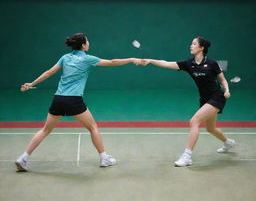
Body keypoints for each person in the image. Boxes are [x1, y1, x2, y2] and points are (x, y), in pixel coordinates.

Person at [15, 33, 141, 171]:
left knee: (45, 130)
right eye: (87, 41)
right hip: (74, 99)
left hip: (58, 98)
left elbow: (48, 72)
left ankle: (23, 158)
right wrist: (131, 59)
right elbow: (112, 62)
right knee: (93, 127)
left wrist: (31, 83)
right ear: (83, 45)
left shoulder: (65, 57)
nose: (89, 43)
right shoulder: (87, 59)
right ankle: (104, 158)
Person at [141, 37, 235, 167]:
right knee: (210, 128)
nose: (191, 46)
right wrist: (151, 60)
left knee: (194, 121)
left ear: (201, 48)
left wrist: (227, 90)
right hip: (204, 99)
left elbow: (223, 79)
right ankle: (228, 142)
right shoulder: (188, 64)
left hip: (217, 97)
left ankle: (187, 156)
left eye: (194, 44)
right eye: (191, 44)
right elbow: (167, 63)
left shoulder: (212, 63)